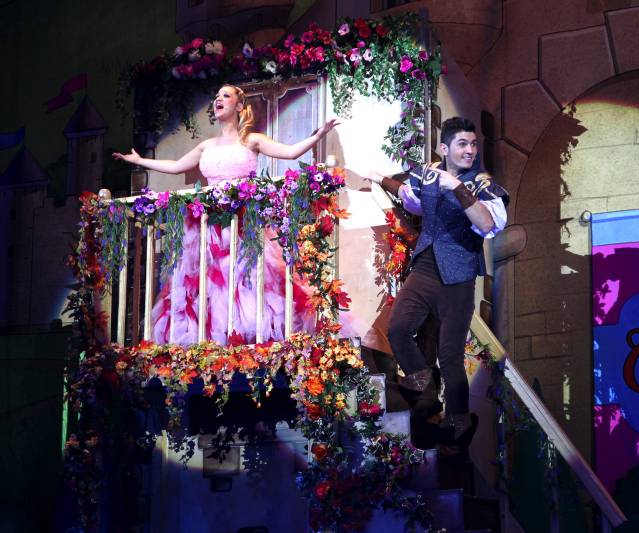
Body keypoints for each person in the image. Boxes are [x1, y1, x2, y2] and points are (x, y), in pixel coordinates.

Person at [113, 84, 342, 344]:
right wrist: (139, 161)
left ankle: (246, 338)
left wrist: (319, 134)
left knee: (246, 278)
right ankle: (212, 341)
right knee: (208, 283)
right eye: (216, 96)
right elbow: (177, 166)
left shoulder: (251, 140)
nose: (218, 100)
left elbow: (290, 152)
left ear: (239, 106)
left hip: (243, 222)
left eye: (225, 96)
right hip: (208, 225)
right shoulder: (206, 146)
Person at [366, 117, 508, 438]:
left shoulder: (481, 184)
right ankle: (426, 392)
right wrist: (380, 179)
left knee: (450, 356)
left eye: (473, 144)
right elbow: (411, 199)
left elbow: (488, 224)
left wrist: (456, 187)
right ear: (444, 148)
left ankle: (459, 424)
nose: (470, 150)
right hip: (426, 267)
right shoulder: (430, 174)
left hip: (459, 276)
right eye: (463, 144)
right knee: (398, 328)